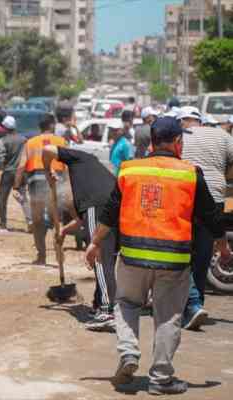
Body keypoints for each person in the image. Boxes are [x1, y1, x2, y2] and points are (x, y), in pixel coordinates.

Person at [85, 116, 232, 395]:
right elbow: (212, 217)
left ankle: (128, 353)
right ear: (178, 142)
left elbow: (110, 211)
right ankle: (161, 378)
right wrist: (223, 247)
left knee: (127, 303)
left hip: (131, 256)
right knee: (168, 316)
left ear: (152, 141)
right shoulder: (190, 173)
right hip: (173, 260)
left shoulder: (129, 170)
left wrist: (95, 243)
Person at [43, 145, 117, 331]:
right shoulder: (93, 177)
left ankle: (107, 311)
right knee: (108, 258)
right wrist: (63, 231)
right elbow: (80, 220)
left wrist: (47, 169)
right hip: (115, 207)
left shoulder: (79, 157)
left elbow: (47, 149)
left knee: (100, 257)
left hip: (99, 206)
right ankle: (100, 303)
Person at [180, 106, 233, 330]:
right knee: (202, 254)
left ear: (182, 121)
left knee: (183, 254)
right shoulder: (222, 135)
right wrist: (224, 175)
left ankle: (189, 305)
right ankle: (196, 304)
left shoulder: (179, 136)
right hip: (215, 195)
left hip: (186, 195)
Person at [14, 113, 66, 265]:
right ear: (51, 125)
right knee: (57, 220)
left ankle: (41, 256)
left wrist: (16, 186)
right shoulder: (61, 141)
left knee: (37, 221)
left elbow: (22, 166)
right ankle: (59, 256)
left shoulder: (30, 142)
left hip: (36, 182)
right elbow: (69, 165)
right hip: (57, 183)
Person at [0, 115, 30, 233]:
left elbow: (1, 158)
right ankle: (30, 221)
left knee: (3, 199)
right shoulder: (24, 139)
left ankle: (3, 225)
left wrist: (1, 166)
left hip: (8, 173)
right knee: (23, 198)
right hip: (21, 173)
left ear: (5, 128)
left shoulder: (2, 141)